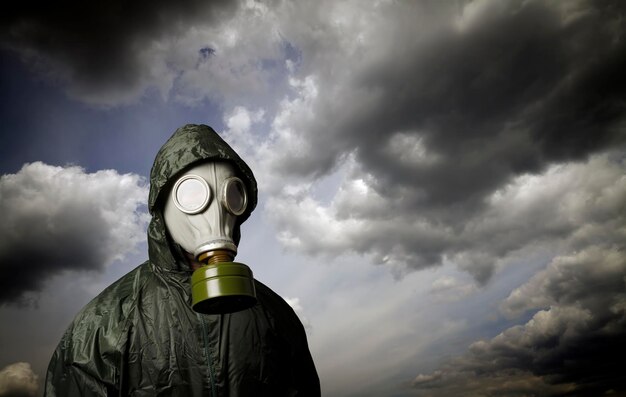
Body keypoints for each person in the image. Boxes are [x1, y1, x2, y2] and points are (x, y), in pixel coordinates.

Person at [44, 124, 320, 396]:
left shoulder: (275, 315)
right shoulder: (106, 322)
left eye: (231, 194)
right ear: (162, 207)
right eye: (192, 195)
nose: (215, 212)